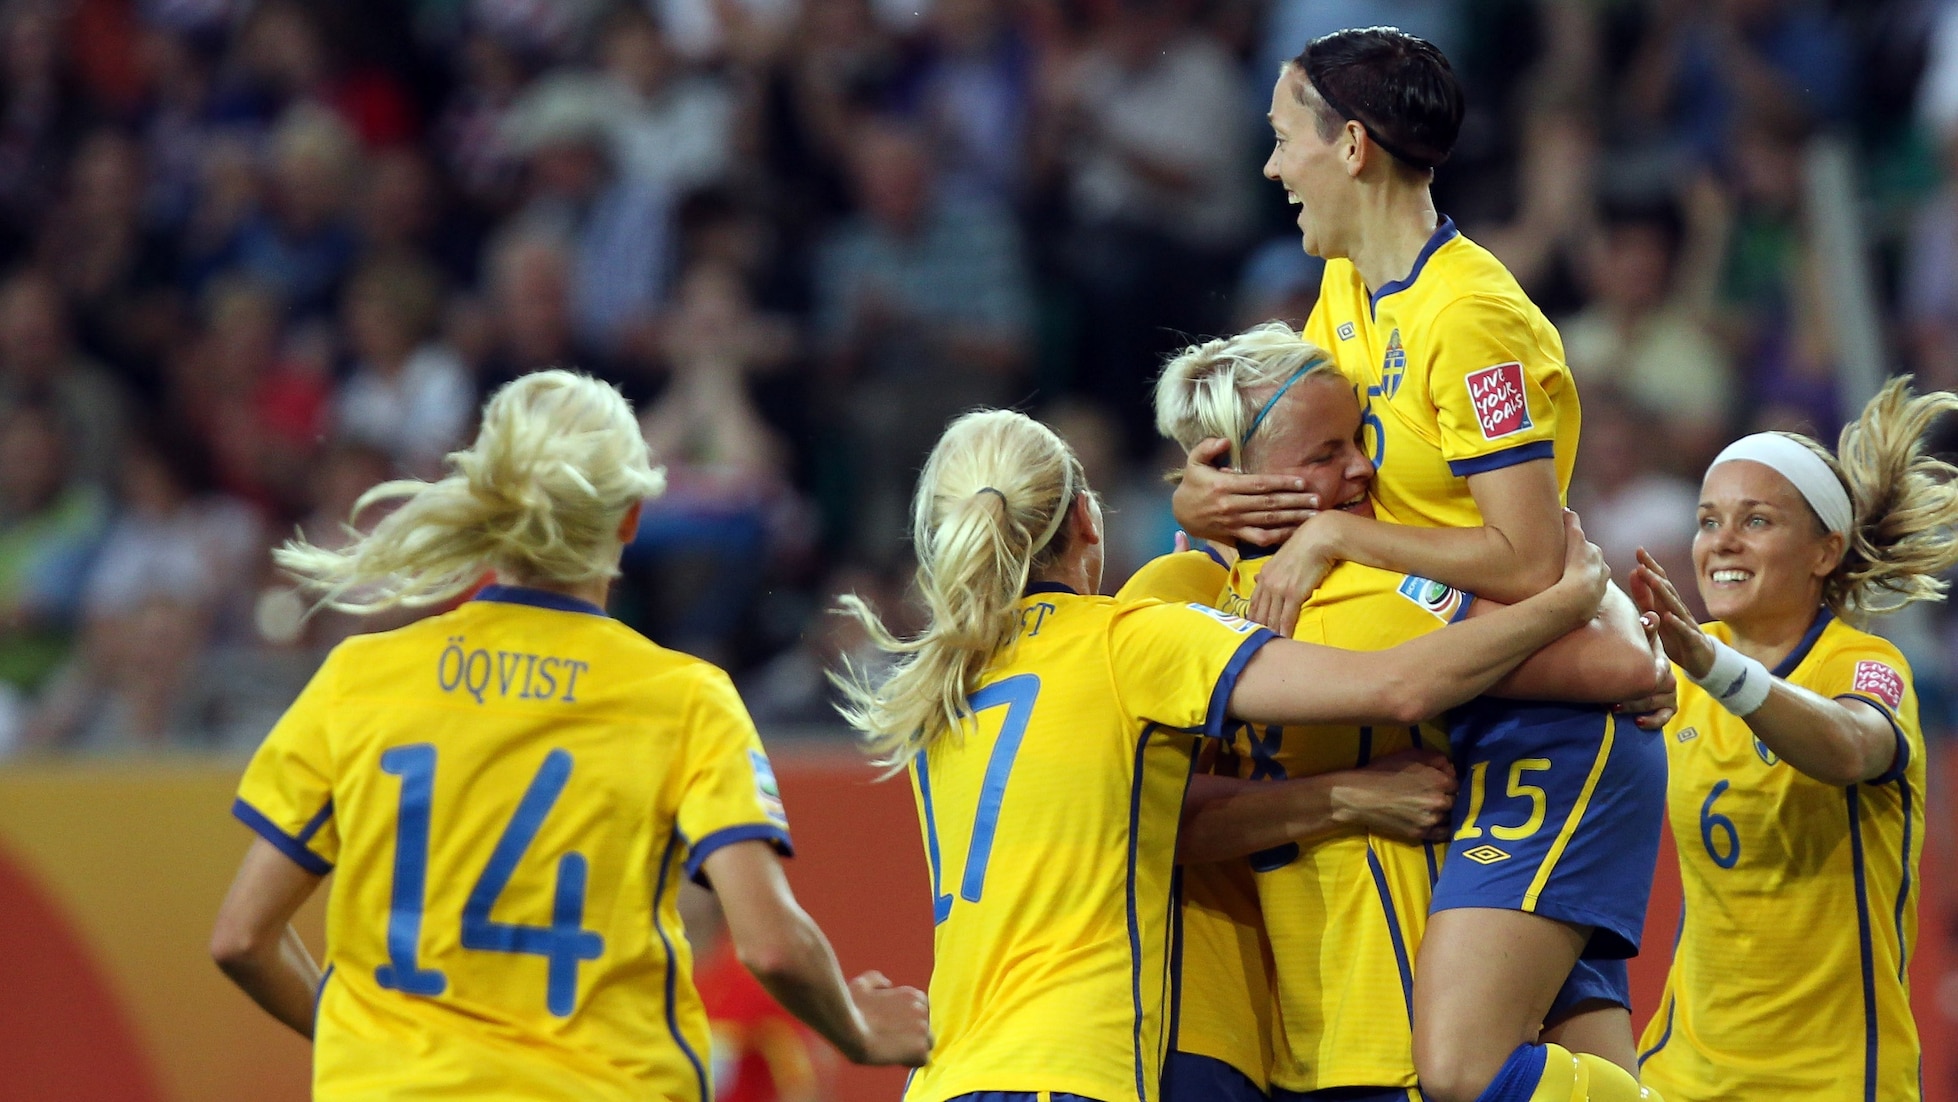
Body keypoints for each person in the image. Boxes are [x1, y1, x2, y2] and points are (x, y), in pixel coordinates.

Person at [832, 407, 1613, 1102]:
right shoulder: (1126, 641)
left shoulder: (943, 680)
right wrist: (1562, 603)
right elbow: (1396, 686)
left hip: (945, 1073)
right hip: (1071, 1069)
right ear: (1087, 520)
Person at [207, 371, 931, 1100]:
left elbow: (241, 939)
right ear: (630, 518)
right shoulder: (682, 699)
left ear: (486, 503)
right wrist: (859, 1031)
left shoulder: (359, 679)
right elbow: (771, 944)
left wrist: (371, 1045)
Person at [1175, 29, 1664, 1102]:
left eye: (1279, 139)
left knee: (1455, 1068)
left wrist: (1346, 537)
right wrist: (1201, 496)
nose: (1268, 168)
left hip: (1546, 728)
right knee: (1571, 1071)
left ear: (1349, 148)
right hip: (1467, 711)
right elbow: (1294, 453)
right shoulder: (1347, 292)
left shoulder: (1470, 318)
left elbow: (1531, 558)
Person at [1156, 324, 1670, 1102]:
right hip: (1387, 1010)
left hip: (1304, 1035)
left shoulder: (1166, 603)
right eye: (1324, 456)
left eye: (1358, 440)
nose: (1362, 468)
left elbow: (1160, 817)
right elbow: (1618, 664)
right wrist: (1579, 587)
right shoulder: (1366, 594)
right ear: (1232, 474)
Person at [1629, 378, 1958, 1101]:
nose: (1722, 542)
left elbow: (1849, 747)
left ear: (1824, 552)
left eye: (1757, 521)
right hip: (1683, 1073)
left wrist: (1716, 668)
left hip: (1832, 1082)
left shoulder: (1865, 664)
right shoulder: (1678, 660)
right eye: (1708, 519)